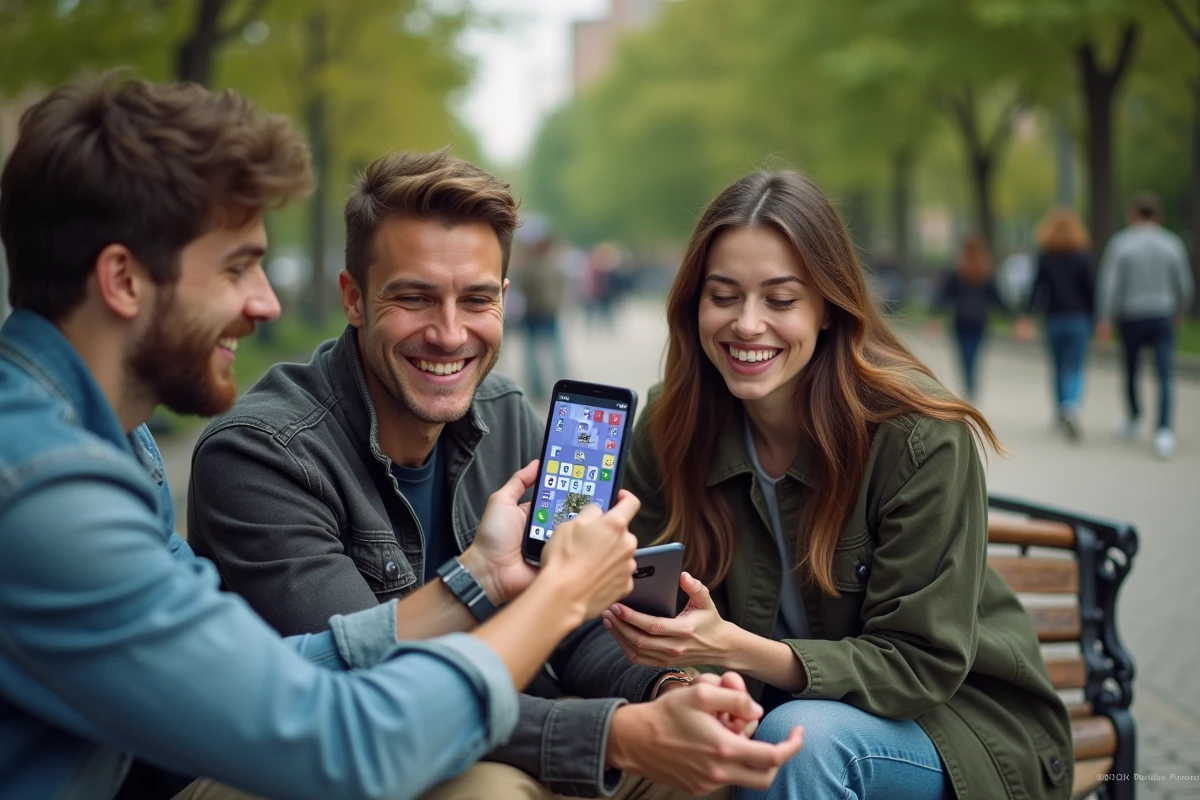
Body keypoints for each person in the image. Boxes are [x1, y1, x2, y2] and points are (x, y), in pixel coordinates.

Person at [0, 73, 654, 800]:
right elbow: (344, 741)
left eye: (477, 299)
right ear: (123, 279)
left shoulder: (117, 446)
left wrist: (483, 580)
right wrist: (562, 599)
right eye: (237, 267)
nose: (266, 301)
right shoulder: (46, 490)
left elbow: (277, 671)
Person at [188, 148, 802, 800]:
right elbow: (373, 700)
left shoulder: (504, 412)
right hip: (334, 765)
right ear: (354, 299)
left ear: (505, 299)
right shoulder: (260, 454)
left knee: (714, 761)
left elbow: (575, 630)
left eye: (476, 299)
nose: (450, 334)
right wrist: (617, 733)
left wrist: (670, 690)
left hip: (513, 728)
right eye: (416, 297)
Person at [603, 170, 1075, 799]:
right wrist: (684, 684)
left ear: (827, 307)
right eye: (723, 295)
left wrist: (737, 649)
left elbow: (920, 663)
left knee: (800, 740)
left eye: (780, 299)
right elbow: (645, 601)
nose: (747, 324)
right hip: (762, 712)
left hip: (957, 725)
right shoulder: (672, 423)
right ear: (694, 304)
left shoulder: (916, 435)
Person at [1095, 192, 1194, 459]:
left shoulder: (1122, 244)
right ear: (1158, 216)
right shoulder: (1172, 243)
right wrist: (1180, 309)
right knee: (1164, 373)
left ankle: (1134, 417)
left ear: (1133, 215)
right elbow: (1184, 282)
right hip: (1162, 313)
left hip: (1132, 316)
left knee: (1131, 369)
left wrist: (1105, 317)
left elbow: (1110, 282)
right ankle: (1163, 429)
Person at [1022, 207, 1095, 440]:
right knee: (1075, 366)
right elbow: (1091, 291)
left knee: (1057, 367)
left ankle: (1060, 411)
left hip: (1053, 319)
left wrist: (1028, 316)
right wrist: (1096, 318)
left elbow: (1037, 289)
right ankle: (1071, 405)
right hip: (1079, 318)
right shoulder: (1083, 256)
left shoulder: (1046, 256)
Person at [933, 232, 1013, 401]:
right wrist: (1012, 316)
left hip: (960, 320)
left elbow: (944, 296)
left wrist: (934, 314)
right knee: (975, 354)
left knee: (964, 355)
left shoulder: (956, 270)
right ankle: (971, 385)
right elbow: (996, 298)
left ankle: (968, 384)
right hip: (979, 321)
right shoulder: (985, 270)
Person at [513, 223, 568, 399]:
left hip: (545, 311)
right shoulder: (533, 264)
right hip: (535, 312)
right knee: (537, 352)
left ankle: (560, 382)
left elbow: (560, 285)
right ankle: (539, 386)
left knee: (551, 350)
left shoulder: (546, 263)